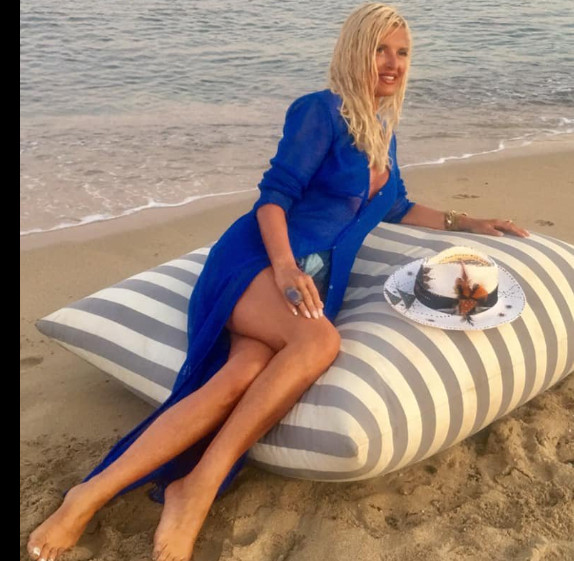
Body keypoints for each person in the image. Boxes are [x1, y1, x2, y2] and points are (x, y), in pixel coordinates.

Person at [27, 3, 529, 561]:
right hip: (259, 264)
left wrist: (468, 222)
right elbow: (273, 199)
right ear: (354, 53)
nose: (392, 63)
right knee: (319, 342)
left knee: (240, 376)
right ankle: (198, 489)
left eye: (402, 53)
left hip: (310, 285)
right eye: (380, 50)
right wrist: (287, 269)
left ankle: (89, 494)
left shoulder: (381, 130)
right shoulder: (320, 111)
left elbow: (396, 205)